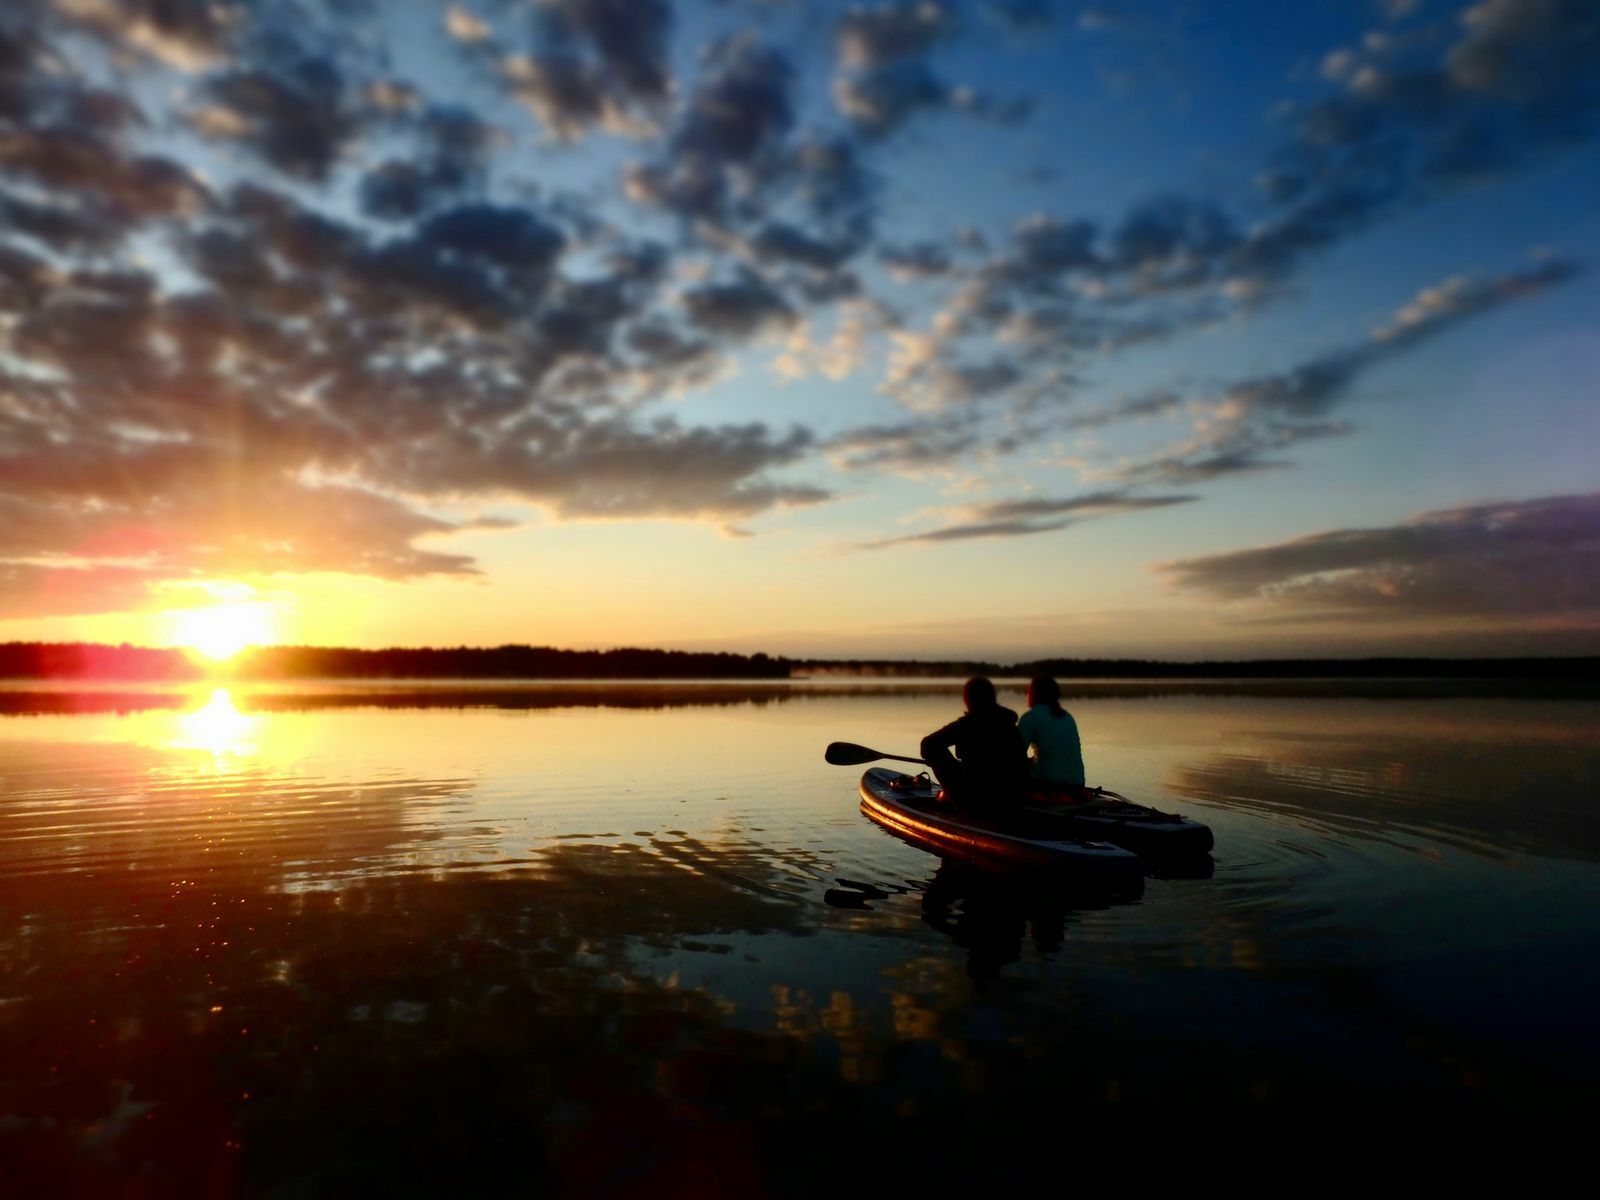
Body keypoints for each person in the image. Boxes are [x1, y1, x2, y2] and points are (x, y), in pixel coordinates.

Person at [919, 676, 1028, 813]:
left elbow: (927, 745)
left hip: (975, 801)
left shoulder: (966, 725)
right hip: (1012, 800)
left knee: (934, 749)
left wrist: (935, 761)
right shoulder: (1010, 725)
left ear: (967, 699)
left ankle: (951, 796)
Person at [1017, 675, 1086, 796]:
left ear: (1034, 694)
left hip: (1049, 785)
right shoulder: (1066, 716)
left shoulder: (1030, 717)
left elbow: (1013, 756)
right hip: (1077, 784)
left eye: (1029, 690)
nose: (1027, 693)